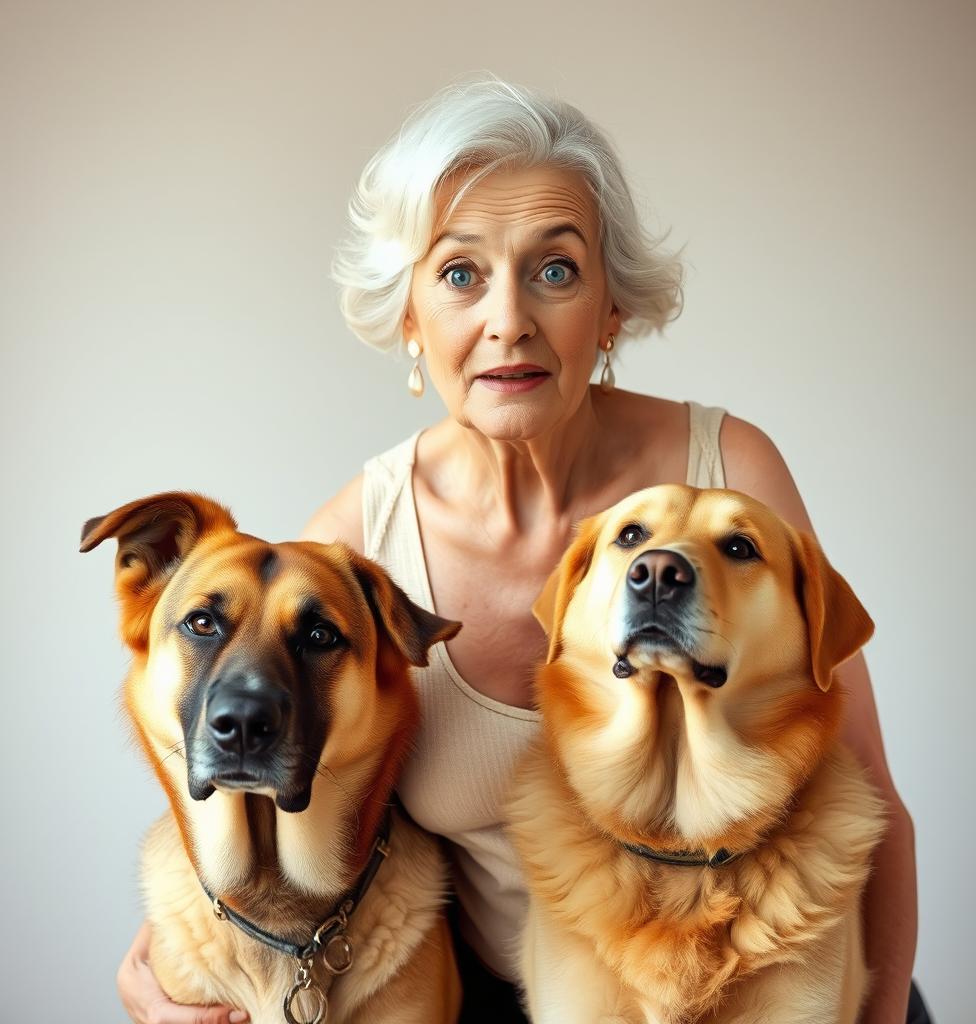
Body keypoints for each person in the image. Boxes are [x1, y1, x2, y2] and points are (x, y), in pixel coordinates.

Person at [117, 76, 928, 1024]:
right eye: (461, 274)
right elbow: (251, 764)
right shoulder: (353, 549)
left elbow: (872, 797)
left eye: (555, 270)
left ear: (612, 308)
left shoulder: (729, 478)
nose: (509, 319)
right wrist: (167, 954)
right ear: (410, 315)